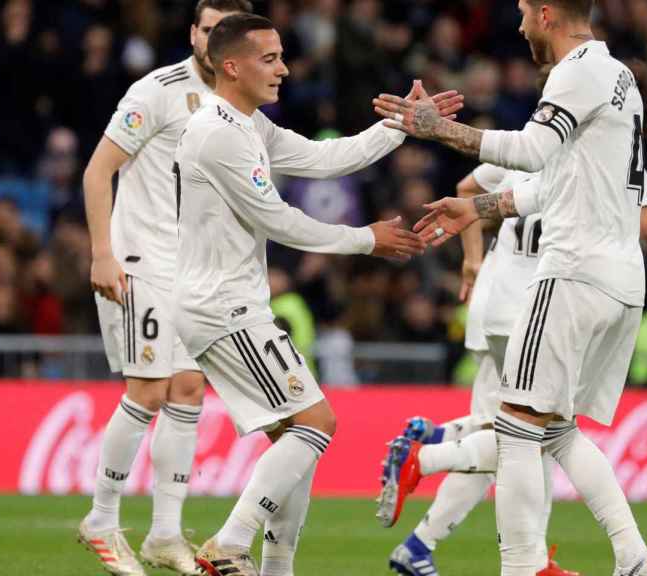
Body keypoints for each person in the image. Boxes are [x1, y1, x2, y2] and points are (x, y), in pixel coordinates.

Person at [373, 1, 647, 574]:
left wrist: (435, 128)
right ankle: (632, 559)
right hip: (618, 282)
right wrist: (478, 207)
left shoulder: (575, 73)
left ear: (546, 14)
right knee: (557, 431)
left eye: (523, 11)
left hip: (571, 275)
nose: (519, 25)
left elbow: (529, 152)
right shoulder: (620, 78)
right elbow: (554, 186)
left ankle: (519, 565)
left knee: (517, 427)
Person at [172, 14, 459, 576]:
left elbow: (328, 159)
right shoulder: (217, 134)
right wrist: (364, 240)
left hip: (227, 304)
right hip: (223, 306)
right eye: (270, 58)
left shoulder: (248, 125)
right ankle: (229, 544)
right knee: (316, 423)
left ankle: (276, 569)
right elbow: (279, 220)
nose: (284, 68)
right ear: (232, 66)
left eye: (282, 56)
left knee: (296, 440)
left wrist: (400, 124)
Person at [380, 170, 647, 576]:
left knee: (530, 432)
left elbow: (468, 187)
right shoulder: (599, 157)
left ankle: (439, 484)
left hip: (498, 300)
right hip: (535, 304)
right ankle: (429, 462)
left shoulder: (527, 143)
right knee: (528, 433)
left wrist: (473, 259)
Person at [79, 3, 255, 575]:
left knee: (187, 390)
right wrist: (103, 253)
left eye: (225, 32)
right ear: (194, 34)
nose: (213, 41)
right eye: (207, 30)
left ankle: (163, 534)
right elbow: (97, 170)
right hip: (142, 260)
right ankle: (102, 520)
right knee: (150, 389)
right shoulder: (156, 90)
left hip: (195, 270)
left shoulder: (238, 106)